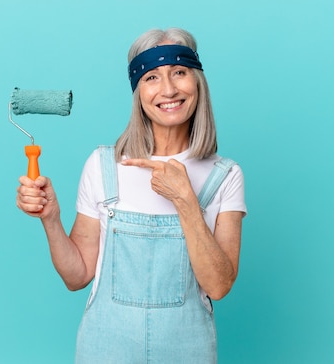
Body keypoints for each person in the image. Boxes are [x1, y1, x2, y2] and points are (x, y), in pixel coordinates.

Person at [16, 27, 247, 363]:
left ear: (197, 82)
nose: (168, 89)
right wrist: (51, 220)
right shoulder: (103, 166)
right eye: (152, 77)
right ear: (138, 92)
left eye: (179, 72)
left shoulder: (225, 176)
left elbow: (219, 286)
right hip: (105, 349)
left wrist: (186, 200)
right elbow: (77, 276)